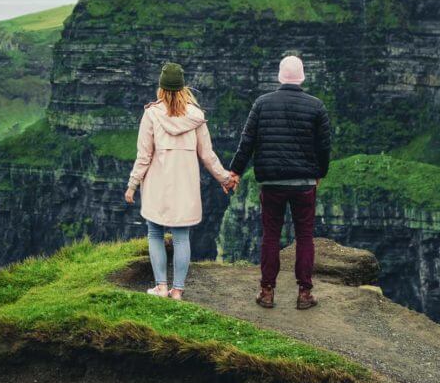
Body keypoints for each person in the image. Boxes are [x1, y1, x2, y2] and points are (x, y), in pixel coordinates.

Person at [228, 55, 331, 310]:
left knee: (271, 236)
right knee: (305, 236)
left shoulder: (262, 104)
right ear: (303, 78)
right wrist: (320, 173)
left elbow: (247, 142)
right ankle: (304, 293)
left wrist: (235, 172)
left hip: (272, 183)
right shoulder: (316, 106)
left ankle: (267, 292)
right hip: (304, 182)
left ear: (279, 77)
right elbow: (324, 146)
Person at [125, 63, 232, 300]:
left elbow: (144, 156)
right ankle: (178, 291)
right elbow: (207, 155)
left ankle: (161, 287)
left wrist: (132, 185)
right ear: (183, 87)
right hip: (185, 189)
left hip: (156, 187)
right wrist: (225, 178)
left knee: (155, 233)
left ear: (161, 88)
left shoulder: (151, 114)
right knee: (181, 237)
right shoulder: (196, 117)